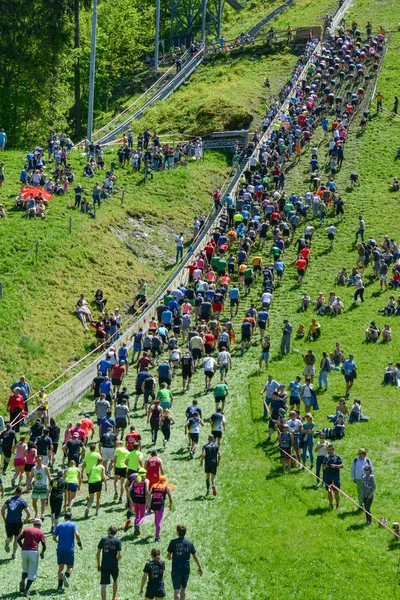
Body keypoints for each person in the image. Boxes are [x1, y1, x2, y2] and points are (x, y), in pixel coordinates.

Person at [167, 524, 203, 600]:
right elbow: (195, 556)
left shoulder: (173, 542)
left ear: (177, 532)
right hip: (186, 569)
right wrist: (200, 567)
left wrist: (170, 557)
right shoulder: (189, 543)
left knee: (176, 590)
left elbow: (168, 555)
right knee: (183, 588)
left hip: (176, 569)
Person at [53, 512, 82, 592]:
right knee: (70, 567)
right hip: (69, 549)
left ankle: (59, 587)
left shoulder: (59, 525)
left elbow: (54, 537)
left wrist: (58, 541)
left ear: (64, 518)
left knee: (60, 568)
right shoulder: (73, 525)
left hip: (60, 549)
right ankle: (66, 575)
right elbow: (77, 535)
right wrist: (79, 544)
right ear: (71, 518)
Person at [17, 518, 46, 597]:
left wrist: (22, 547)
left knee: (25, 569)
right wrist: (42, 552)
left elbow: (18, 539)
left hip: (24, 552)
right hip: (33, 552)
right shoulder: (40, 532)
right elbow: (44, 545)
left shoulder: (27, 530)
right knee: (32, 572)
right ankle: (26, 590)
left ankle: (23, 580)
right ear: (40, 525)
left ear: (33, 524)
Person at [1, 485, 31, 559]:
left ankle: (8, 540)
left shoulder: (9, 500)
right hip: (17, 522)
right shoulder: (22, 501)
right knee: (17, 538)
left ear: (15, 492)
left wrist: (4, 518)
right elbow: (29, 513)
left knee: (10, 536)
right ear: (21, 493)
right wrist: (26, 520)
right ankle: (14, 554)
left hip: (8, 522)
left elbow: (2, 510)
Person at [97, 525, 122, 600]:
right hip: (114, 565)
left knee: (103, 585)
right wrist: (116, 561)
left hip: (104, 564)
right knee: (115, 580)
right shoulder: (118, 541)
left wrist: (98, 564)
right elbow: (120, 555)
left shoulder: (103, 539)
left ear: (109, 531)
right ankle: (113, 598)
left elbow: (98, 553)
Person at [147, 475, 173, 542]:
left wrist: (148, 505)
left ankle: (157, 531)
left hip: (153, 505)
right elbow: (170, 497)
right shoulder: (165, 487)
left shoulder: (154, 485)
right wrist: (170, 505)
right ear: (164, 481)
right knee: (159, 521)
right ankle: (157, 537)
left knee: (156, 518)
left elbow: (149, 495)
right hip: (160, 505)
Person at [322, 444, 344, 509]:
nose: (330, 451)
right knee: (329, 491)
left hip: (335, 476)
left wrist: (336, 466)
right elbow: (323, 467)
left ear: (333, 449)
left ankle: (337, 505)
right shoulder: (326, 457)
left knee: (336, 491)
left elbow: (342, 465)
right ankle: (331, 504)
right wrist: (326, 466)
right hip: (328, 476)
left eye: (331, 449)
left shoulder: (337, 457)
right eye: (328, 449)